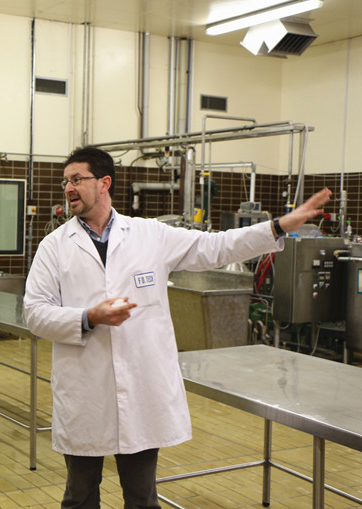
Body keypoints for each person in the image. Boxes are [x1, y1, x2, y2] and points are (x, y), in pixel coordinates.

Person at [23, 146, 332, 509]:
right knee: (80, 497)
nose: (68, 188)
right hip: (86, 393)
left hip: (140, 391)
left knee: (142, 498)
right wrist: (88, 317)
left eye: (77, 179)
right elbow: (34, 312)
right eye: (66, 181)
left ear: (104, 183)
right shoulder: (54, 246)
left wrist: (278, 227)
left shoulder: (149, 234)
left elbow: (217, 247)